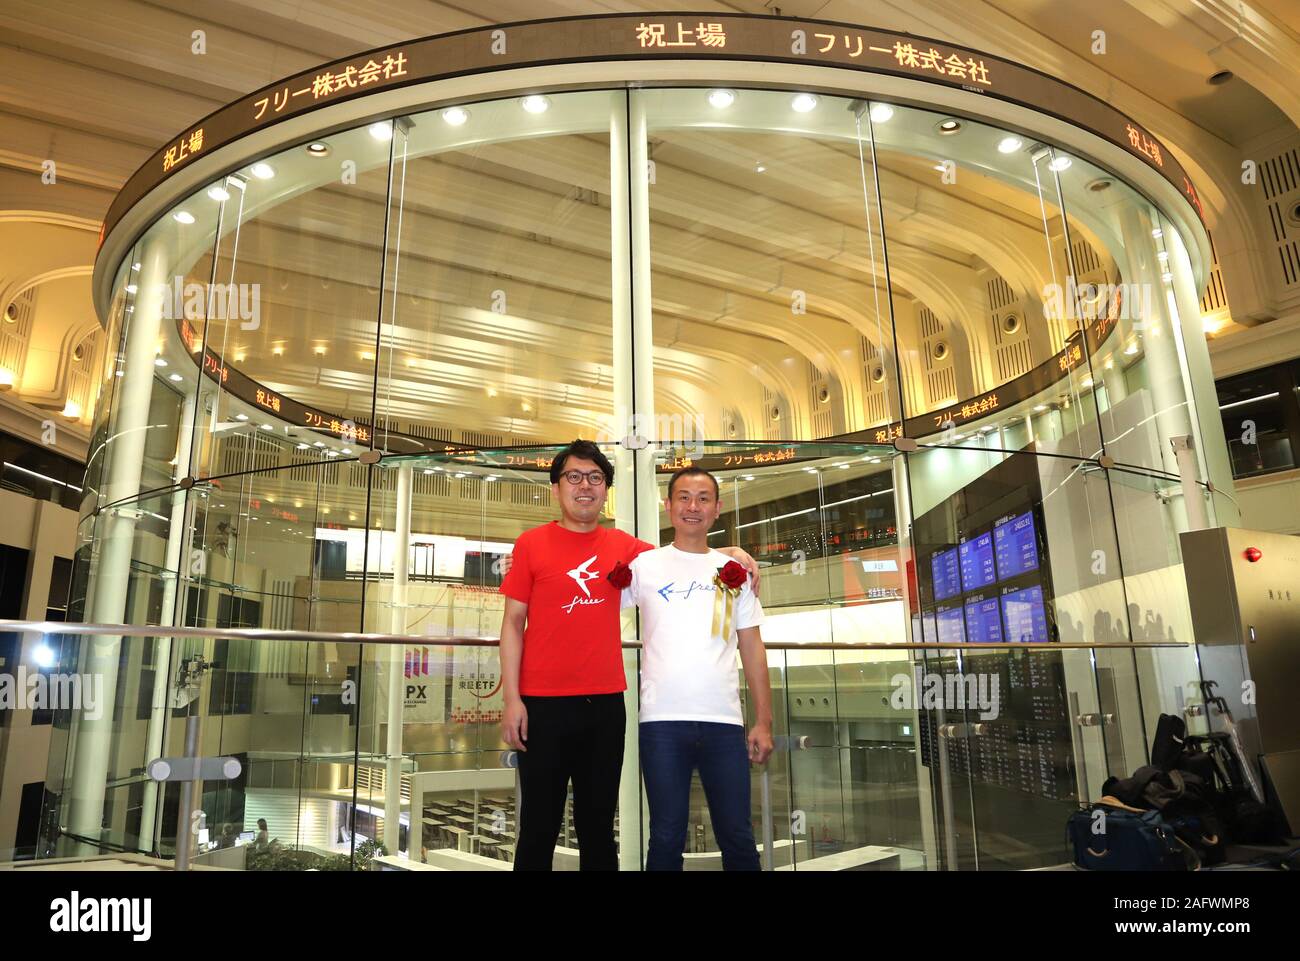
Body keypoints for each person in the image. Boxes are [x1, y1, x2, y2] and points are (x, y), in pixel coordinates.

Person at [498, 439, 757, 871]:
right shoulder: (530, 545)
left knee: (598, 826)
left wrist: (733, 552)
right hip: (541, 705)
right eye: (574, 477)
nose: (585, 486)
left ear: (606, 489)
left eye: (596, 478)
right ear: (556, 488)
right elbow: (511, 624)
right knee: (538, 825)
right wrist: (512, 700)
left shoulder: (626, 549)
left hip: (604, 706)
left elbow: (686, 554)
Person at [621, 465, 772, 871]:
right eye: (684, 497)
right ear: (668, 506)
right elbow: (592, 603)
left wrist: (763, 722)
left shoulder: (734, 573)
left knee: (738, 835)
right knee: (666, 836)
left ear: (717, 508)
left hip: (724, 722)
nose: (693, 506)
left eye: (703, 498)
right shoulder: (644, 566)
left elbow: (753, 647)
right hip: (661, 723)